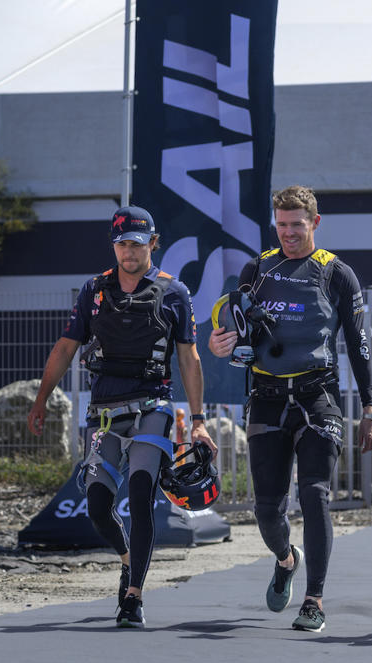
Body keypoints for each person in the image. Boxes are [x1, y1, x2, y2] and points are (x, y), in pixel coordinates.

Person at [27, 206, 216, 628]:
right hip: (105, 411)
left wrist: (198, 418)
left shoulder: (175, 293)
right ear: (113, 245)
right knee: (97, 507)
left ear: (152, 243)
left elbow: (189, 357)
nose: (128, 251)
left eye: (135, 243)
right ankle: (129, 560)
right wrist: (41, 399)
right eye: (121, 244)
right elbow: (65, 348)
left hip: (154, 406)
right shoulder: (93, 290)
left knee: (142, 488)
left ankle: (133, 597)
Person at [208, 185, 372, 633]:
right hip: (266, 398)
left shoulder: (336, 273)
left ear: (315, 223)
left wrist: (371, 408)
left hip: (316, 398)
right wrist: (220, 342)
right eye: (281, 225)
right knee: (267, 510)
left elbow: (359, 347)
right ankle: (286, 560)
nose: (288, 233)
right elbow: (234, 328)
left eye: (296, 225)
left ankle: (314, 599)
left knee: (315, 493)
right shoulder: (257, 269)